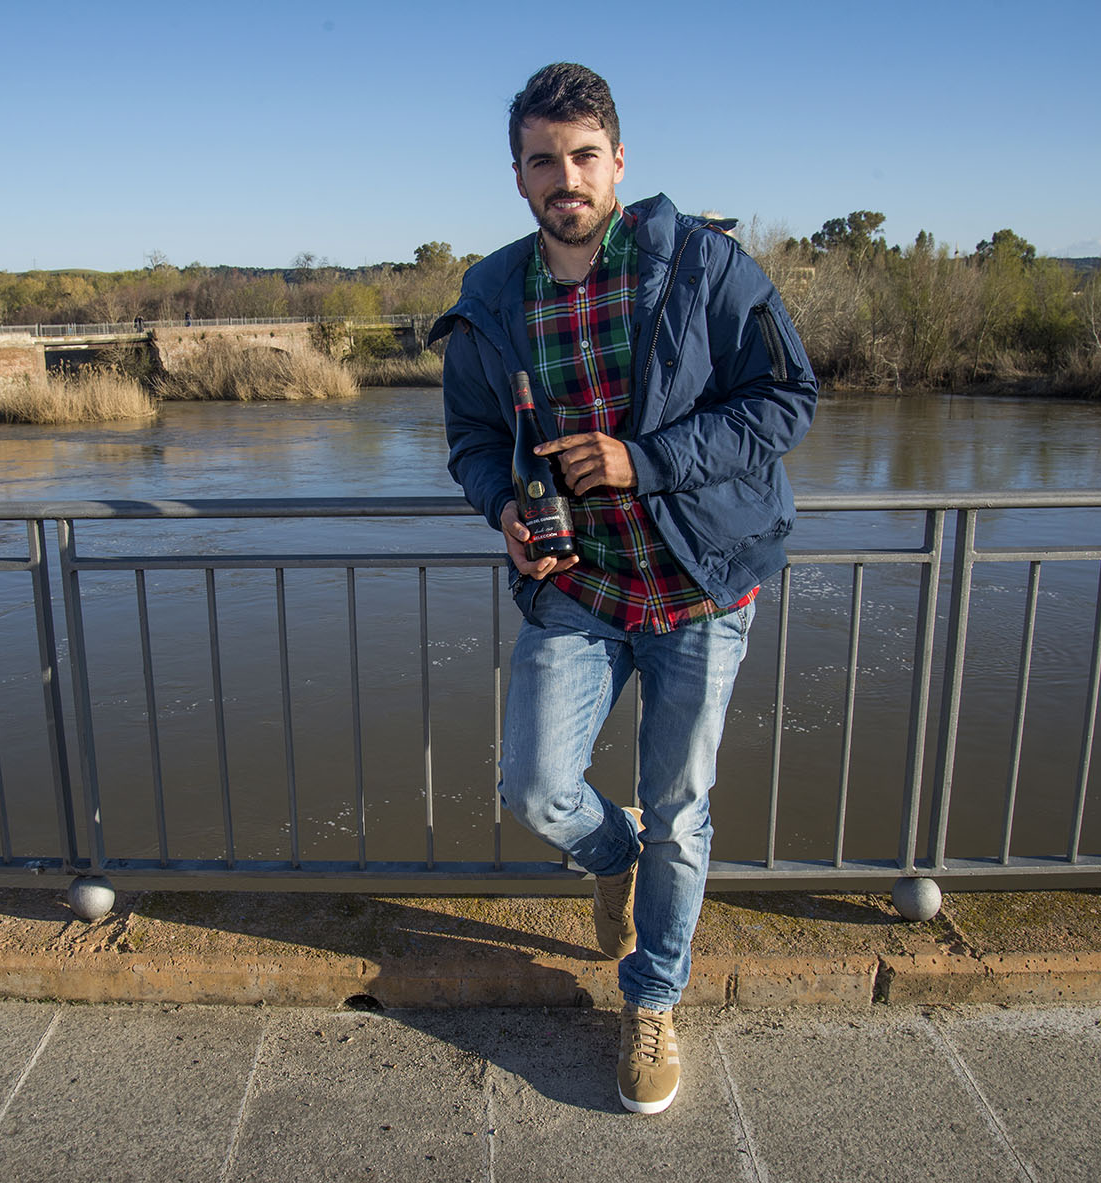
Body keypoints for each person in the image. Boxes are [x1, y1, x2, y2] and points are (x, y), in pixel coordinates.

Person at [431, 62, 817, 1115]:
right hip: (580, 589)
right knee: (532, 789)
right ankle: (612, 856)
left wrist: (640, 461)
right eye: (543, 160)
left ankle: (650, 1000)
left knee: (683, 811)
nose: (565, 177)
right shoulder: (491, 299)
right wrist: (503, 511)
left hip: (697, 586)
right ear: (516, 174)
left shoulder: (698, 263)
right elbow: (470, 439)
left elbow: (786, 400)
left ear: (617, 161)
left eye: (582, 156)